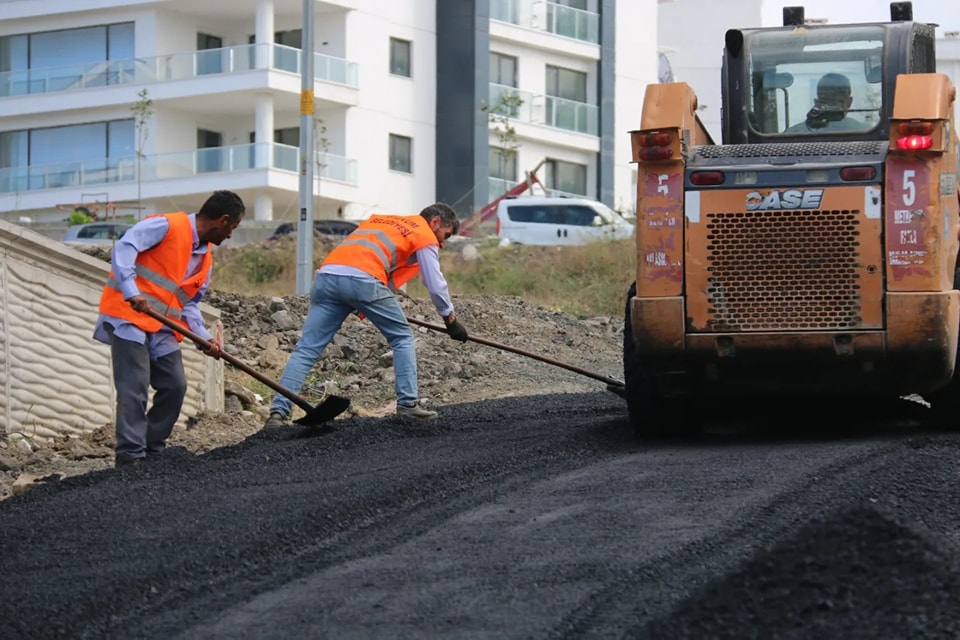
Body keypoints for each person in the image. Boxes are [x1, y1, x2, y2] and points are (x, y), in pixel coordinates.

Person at [264, 203, 468, 426]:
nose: (442, 243)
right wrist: (450, 319)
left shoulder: (381, 221)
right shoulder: (423, 233)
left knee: (306, 349)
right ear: (435, 222)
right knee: (402, 338)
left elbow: (370, 259)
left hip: (327, 277)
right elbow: (435, 283)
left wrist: (362, 300)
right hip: (362, 280)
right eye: (445, 235)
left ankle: (278, 413)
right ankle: (408, 404)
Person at [93, 190, 246, 467]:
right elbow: (125, 246)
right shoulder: (167, 225)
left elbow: (187, 304)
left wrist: (205, 337)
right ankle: (131, 457)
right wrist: (130, 290)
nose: (231, 236)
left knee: (175, 385)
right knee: (134, 388)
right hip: (129, 316)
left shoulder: (205, 258)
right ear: (223, 220)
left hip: (162, 326)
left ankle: (152, 450)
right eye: (233, 228)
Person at [785, 72, 863, 133]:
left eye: (836, 102)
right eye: (826, 101)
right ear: (816, 103)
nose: (831, 108)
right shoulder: (865, 132)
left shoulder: (793, 135)